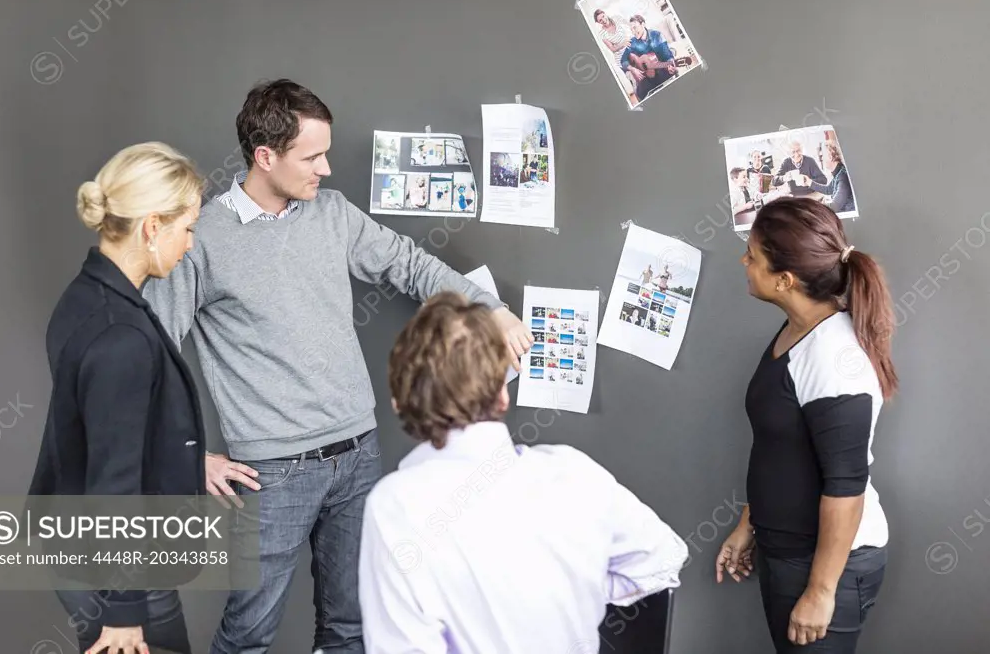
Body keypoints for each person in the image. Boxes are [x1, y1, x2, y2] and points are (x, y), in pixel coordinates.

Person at [140, 78, 532, 654]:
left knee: (351, 627)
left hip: (358, 457)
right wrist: (188, 456)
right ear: (265, 156)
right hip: (271, 474)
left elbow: (410, 266)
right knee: (249, 634)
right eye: (312, 156)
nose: (325, 168)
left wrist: (490, 311)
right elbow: (146, 354)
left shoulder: (333, 213)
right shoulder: (201, 238)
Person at [359, 292, 688, 654]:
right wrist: (578, 587)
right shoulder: (575, 473)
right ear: (502, 394)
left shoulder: (394, 506)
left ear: (400, 401)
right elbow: (663, 560)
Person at [28, 142, 207, 654]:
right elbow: (115, 481)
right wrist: (124, 612)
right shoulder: (120, 336)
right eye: (187, 228)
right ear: (152, 226)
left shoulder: (87, 295)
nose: (190, 244)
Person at [716, 198, 895, 653]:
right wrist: (749, 524)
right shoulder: (796, 331)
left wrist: (819, 592)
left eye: (752, 255)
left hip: (828, 564)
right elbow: (783, 450)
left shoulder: (837, 362)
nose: (744, 261)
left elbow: (846, 486)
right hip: (787, 551)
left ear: (785, 279)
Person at [801, 140, 856, 214]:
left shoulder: (842, 177)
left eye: (822, 156)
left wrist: (812, 207)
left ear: (830, 157)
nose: (821, 159)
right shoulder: (839, 172)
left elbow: (834, 207)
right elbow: (829, 189)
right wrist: (809, 182)